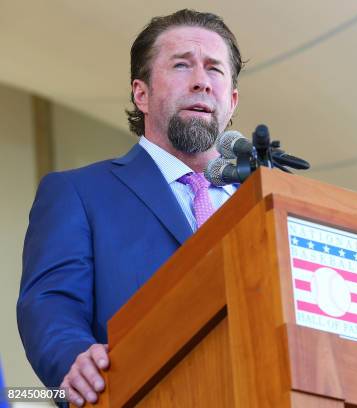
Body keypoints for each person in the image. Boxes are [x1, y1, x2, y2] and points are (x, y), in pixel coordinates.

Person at [17, 9, 242, 407]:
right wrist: (75, 361)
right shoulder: (79, 192)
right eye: (181, 65)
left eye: (214, 70)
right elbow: (51, 303)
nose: (201, 82)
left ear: (233, 100)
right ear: (141, 93)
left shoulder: (262, 202)